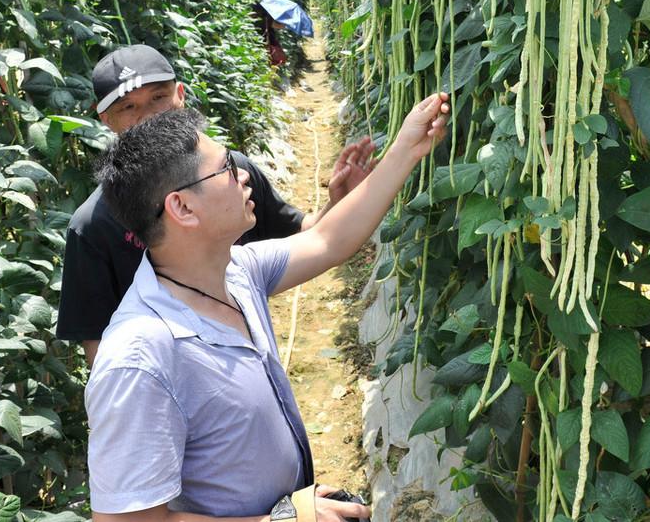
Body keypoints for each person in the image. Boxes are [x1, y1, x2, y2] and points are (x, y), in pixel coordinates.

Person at [85, 93, 449, 521]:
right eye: (226, 168)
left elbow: (328, 240)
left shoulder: (236, 271)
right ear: (181, 207)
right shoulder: (140, 358)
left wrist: (408, 146)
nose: (244, 177)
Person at [56, 44, 376, 365]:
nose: (149, 117)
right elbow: (99, 349)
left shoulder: (233, 176)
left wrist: (337, 203)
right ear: (105, 118)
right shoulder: (92, 227)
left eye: (158, 97)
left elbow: (308, 237)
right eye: (128, 107)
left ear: (180, 95)